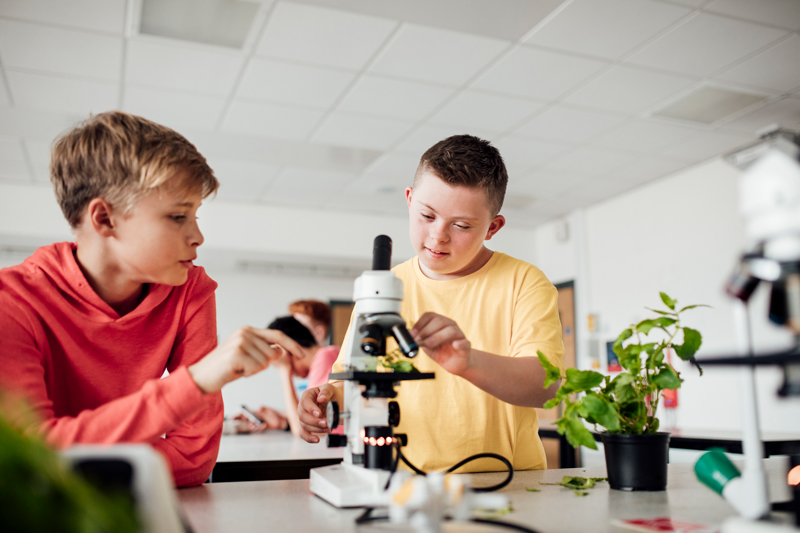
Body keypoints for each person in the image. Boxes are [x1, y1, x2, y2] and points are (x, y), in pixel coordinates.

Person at [0, 111, 303, 487]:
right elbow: (32, 459)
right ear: (104, 219)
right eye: (178, 216)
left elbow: (195, 456)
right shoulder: (11, 301)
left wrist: (76, 456)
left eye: (195, 215)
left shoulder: (190, 290)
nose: (198, 236)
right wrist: (196, 381)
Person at [297, 135, 565, 473]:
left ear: (492, 227)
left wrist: (468, 362)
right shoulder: (381, 291)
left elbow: (547, 386)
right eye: (427, 215)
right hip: (401, 482)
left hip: (506, 481)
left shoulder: (524, 282)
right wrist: (324, 401)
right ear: (409, 200)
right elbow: (351, 380)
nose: (439, 236)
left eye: (462, 225)